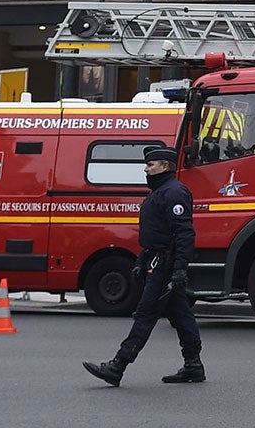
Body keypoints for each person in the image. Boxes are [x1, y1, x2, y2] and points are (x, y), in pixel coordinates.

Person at [84, 144, 203, 387]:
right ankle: (193, 365)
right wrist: (141, 261)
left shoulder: (174, 193)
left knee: (145, 314)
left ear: (165, 166)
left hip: (165, 266)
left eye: (150, 164)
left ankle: (118, 365)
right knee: (181, 316)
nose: (145, 168)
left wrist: (180, 268)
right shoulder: (160, 192)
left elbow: (183, 233)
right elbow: (155, 236)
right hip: (158, 260)